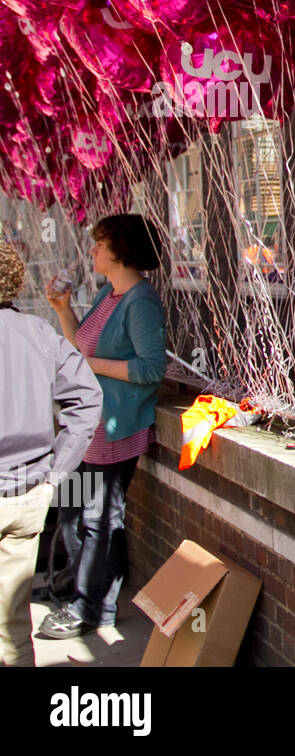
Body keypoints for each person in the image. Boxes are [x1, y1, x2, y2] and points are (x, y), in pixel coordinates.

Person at [40, 214, 167, 640]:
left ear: (121, 250)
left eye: (99, 244)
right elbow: (80, 344)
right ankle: (75, 589)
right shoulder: (107, 294)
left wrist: (88, 366)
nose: (92, 250)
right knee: (72, 512)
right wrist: (62, 310)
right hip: (84, 432)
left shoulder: (140, 302)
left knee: (100, 519)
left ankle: (94, 609)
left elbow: (151, 368)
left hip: (113, 434)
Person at [0, 239, 101, 665]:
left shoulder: (40, 332)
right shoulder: (38, 332)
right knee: (13, 632)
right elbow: (88, 399)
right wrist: (54, 479)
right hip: (28, 495)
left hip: (27, 490)